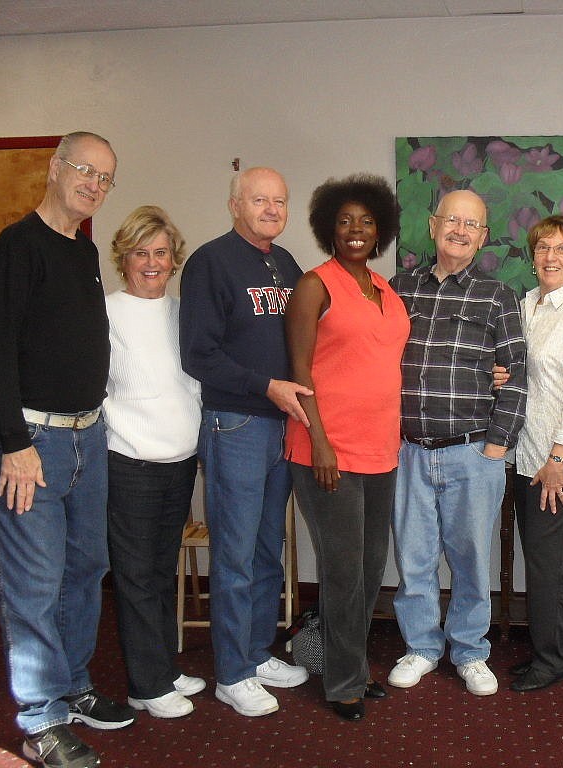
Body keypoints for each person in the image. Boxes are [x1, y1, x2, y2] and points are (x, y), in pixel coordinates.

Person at [0, 131, 134, 768]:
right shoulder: (18, 248)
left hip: (86, 438)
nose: (93, 185)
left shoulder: (83, 253)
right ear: (54, 168)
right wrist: (15, 444)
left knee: (84, 570)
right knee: (34, 582)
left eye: (105, 178)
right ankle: (40, 719)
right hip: (32, 443)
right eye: (84, 170)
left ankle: (71, 685)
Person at [179, 167, 311, 718]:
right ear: (235, 204)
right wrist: (267, 387)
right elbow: (198, 356)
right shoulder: (211, 262)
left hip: (283, 425)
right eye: (260, 200)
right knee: (232, 551)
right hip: (236, 423)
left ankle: (255, 654)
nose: (271, 209)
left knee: (266, 548)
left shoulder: (286, 265)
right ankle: (231, 674)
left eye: (279, 202)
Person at [387, 189, 527, 697]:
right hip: (407, 451)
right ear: (433, 225)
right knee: (415, 557)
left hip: (473, 451)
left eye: (472, 224)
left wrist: (497, 445)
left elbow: (516, 375)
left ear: (484, 237)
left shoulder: (498, 296)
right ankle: (421, 647)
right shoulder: (396, 290)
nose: (460, 231)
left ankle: (470, 651)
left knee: (471, 559)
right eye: (452, 220)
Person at [284, 174, 409, 721]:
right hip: (327, 450)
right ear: (328, 228)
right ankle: (343, 684)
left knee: (370, 568)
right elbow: (299, 371)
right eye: (344, 221)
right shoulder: (315, 284)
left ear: (380, 230)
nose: (355, 230)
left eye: (366, 221)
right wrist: (320, 444)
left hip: (381, 451)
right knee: (342, 570)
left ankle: (353, 666)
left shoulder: (385, 290)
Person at [102, 206, 206, 719]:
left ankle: (162, 667)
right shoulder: (105, 312)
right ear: (124, 257)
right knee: (137, 576)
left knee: (162, 571)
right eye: (141, 252)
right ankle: (146, 684)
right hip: (130, 464)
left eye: (161, 253)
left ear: (174, 259)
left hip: (179, 461)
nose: (151, 263)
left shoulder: (182, 311)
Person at [509, 215, 563, 693]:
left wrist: (559, 457)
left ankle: (554, 659)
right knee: (541, 561)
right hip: (527, 456)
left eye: (562, 249)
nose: (550, 256)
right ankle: (556, 649)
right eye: (543, 247)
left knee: (552, 564)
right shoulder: (530, 304)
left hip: (562, 462)